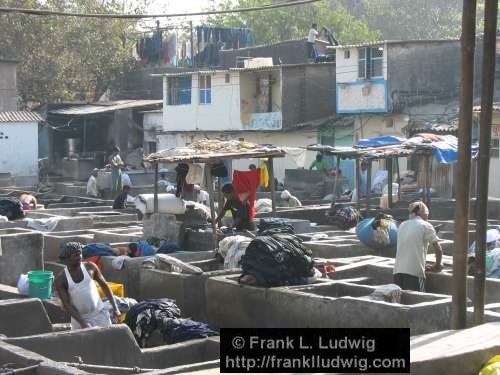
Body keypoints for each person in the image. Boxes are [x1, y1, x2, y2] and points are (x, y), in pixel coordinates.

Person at [55, 242, 120, 330]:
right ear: (68, 259)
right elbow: (67, 304)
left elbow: (105, 286)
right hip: (79, 320)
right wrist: (83, 323)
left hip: (99, 314)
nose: (79, 257)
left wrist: (115, 308)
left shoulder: (90, 267)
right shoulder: (61, 279)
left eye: (80, 254)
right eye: (75, 255)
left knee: (105, 341)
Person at [393, 201, 442, 292]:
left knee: (401, 302)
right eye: (427, 215)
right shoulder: (426, 225)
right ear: (423, 213)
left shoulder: (402, 225)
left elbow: (410, 247)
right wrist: (437, 265)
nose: (428, 217)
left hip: (397, 272)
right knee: (418, 300)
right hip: (414, 273)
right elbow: (438, 249)